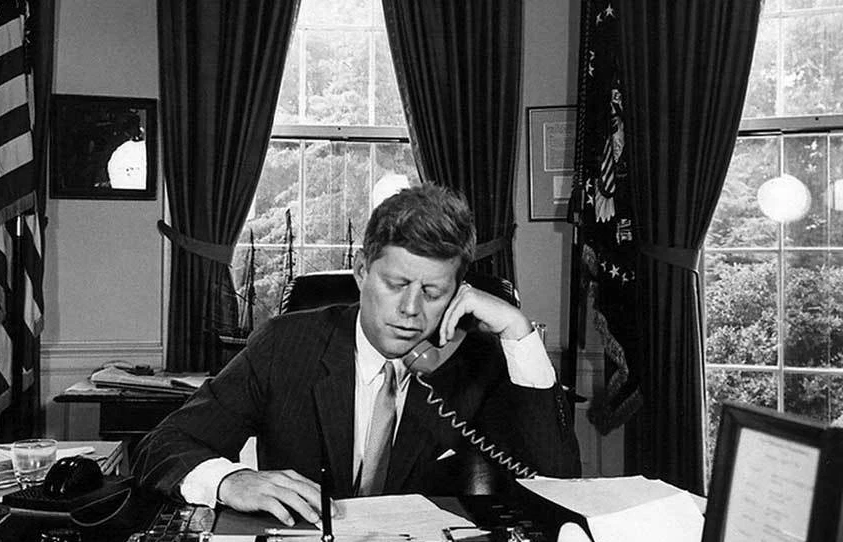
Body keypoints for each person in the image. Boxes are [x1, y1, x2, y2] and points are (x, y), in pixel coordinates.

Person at [132, 183, 581, 524]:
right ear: (362, 271)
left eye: (432, 291)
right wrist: (230, 480)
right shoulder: (286, 344)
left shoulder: (476, 360)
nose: (411, 310)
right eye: (396, 284)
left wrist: (519, 333)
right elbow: (163, 445)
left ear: (457, 295)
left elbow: (558, 479)